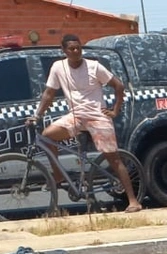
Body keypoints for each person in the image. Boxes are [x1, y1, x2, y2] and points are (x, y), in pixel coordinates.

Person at [28, 34, 142, 213]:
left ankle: (133, 201)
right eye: (71, 48)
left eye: (78, 48)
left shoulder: (94, 66)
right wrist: (37, 115)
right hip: (76, 116)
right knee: (47, 136)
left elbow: (118, 86)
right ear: (64, 51)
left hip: (98, 116)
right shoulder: (58, 67)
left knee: (113, 158)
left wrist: (115, 111)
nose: (75, 51)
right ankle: (58, 175)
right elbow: (49, 93)